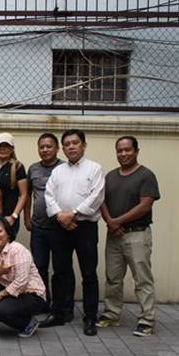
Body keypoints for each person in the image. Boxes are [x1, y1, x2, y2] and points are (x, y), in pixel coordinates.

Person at [42, 129, 105, 336]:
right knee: (60, 271)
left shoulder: (94, 169)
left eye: (75, 143)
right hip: (60, 226)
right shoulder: (58, 171)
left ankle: (90, 318)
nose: (71, 147)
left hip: (84, 227)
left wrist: (75, 214)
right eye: (67, 144)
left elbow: (97, 197)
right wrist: (61, 215)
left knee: (88, 273)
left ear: (83, 145)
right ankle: (61, 312)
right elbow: (49, 195)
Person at [98, 136, 160, 337]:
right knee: (113, 277)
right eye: (119, 151)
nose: (123, 154)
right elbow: (102, 201)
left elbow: (145, 205)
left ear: (136, 151)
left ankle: (147, 320)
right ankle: (112, 314)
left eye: (127, 150)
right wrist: (111, 222)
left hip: (137, 235)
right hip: (114, 235)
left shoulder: (146, 175)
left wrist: (118, 221)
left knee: (142, 278)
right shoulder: (110, 176)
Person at [0, 218, 46, 337]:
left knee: (1, 311)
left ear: (8, 234)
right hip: (8, 289)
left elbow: (21, 283)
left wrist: (0, 295)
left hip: (30, 294)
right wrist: (0, 271)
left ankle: (28, 323)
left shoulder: (18, 250)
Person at [24, 133, 63, 306]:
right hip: (38, 227)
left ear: (57, 148)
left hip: (60, 227)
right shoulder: (33, 168)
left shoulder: (65, 167)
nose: (45, 150)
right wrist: (26, 217)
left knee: (61, 269)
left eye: (49, 146)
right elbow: (28, 195)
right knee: (39, 267)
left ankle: (60, 305)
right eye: (42, 147)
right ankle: (43, 302)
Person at [0, 133, 28, 236]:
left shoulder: (17, 167)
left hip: (9, 216)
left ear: (12, 149)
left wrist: (14, 216)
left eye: (6, 146)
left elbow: (24, 194)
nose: (3, 149)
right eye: (0, 146)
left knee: (7, 248)